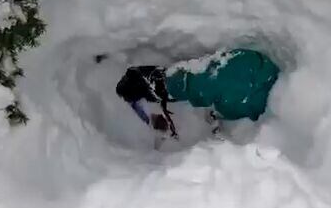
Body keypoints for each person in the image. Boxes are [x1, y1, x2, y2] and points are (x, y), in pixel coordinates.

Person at [115, 49, 280, 143]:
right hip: (260, 77)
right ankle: (170, 83)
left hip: (260, 77)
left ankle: (170, 83)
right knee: (229, 79)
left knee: (226, 79)